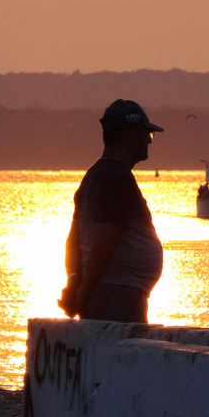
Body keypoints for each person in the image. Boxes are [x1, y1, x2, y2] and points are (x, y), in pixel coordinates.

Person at [58, 99, 164, 323]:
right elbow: (101, 245)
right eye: (148, 134)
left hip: (110, 295)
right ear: (131, 134)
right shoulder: (117, 179)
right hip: (118, 297)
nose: (149, 141)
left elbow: (73, 241)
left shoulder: (93, 176)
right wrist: (81, 298)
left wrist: (75, 282)